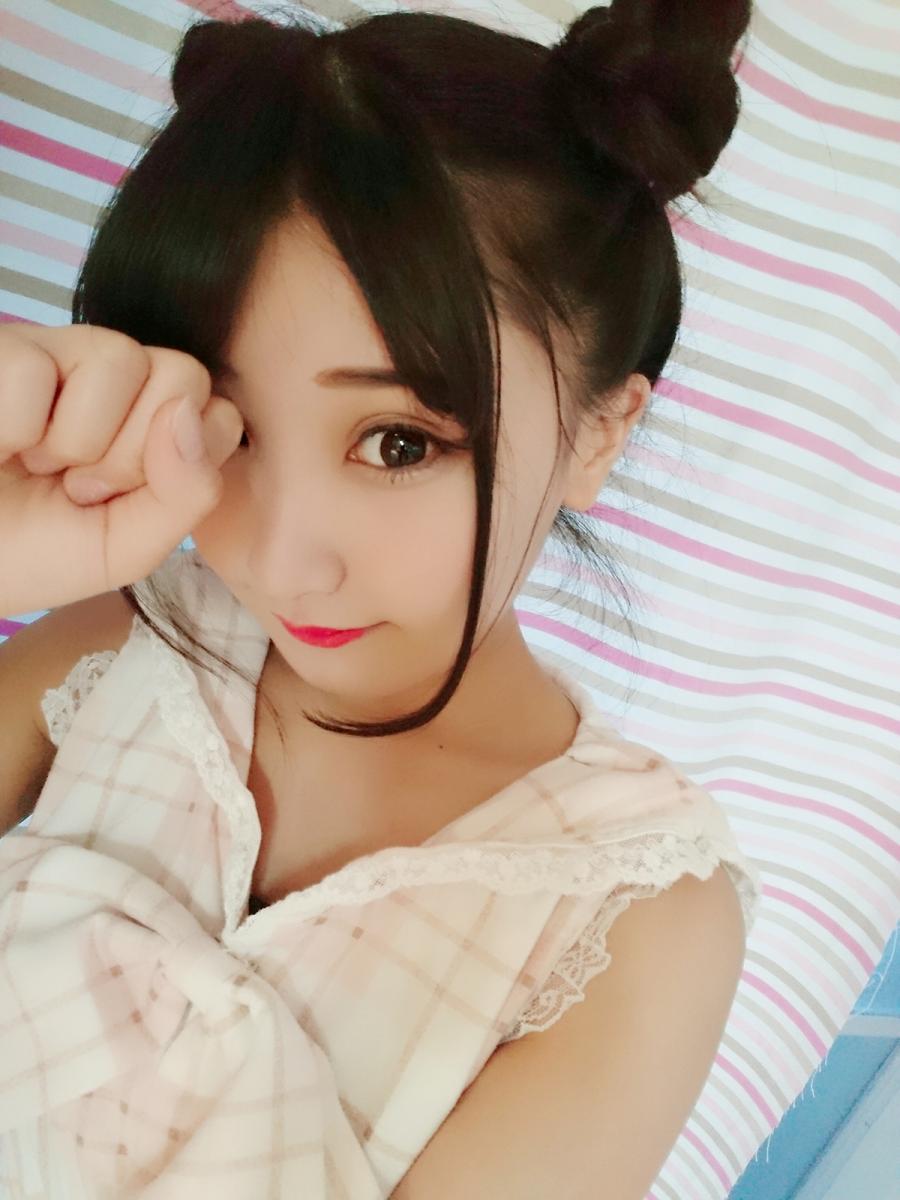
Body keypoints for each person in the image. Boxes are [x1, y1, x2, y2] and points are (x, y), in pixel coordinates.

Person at [0, 2, 762, 1196]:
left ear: (600, 433)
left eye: (399, 443)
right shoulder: (124, 638)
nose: (283, 561)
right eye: (231, 427)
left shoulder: (629, 919)